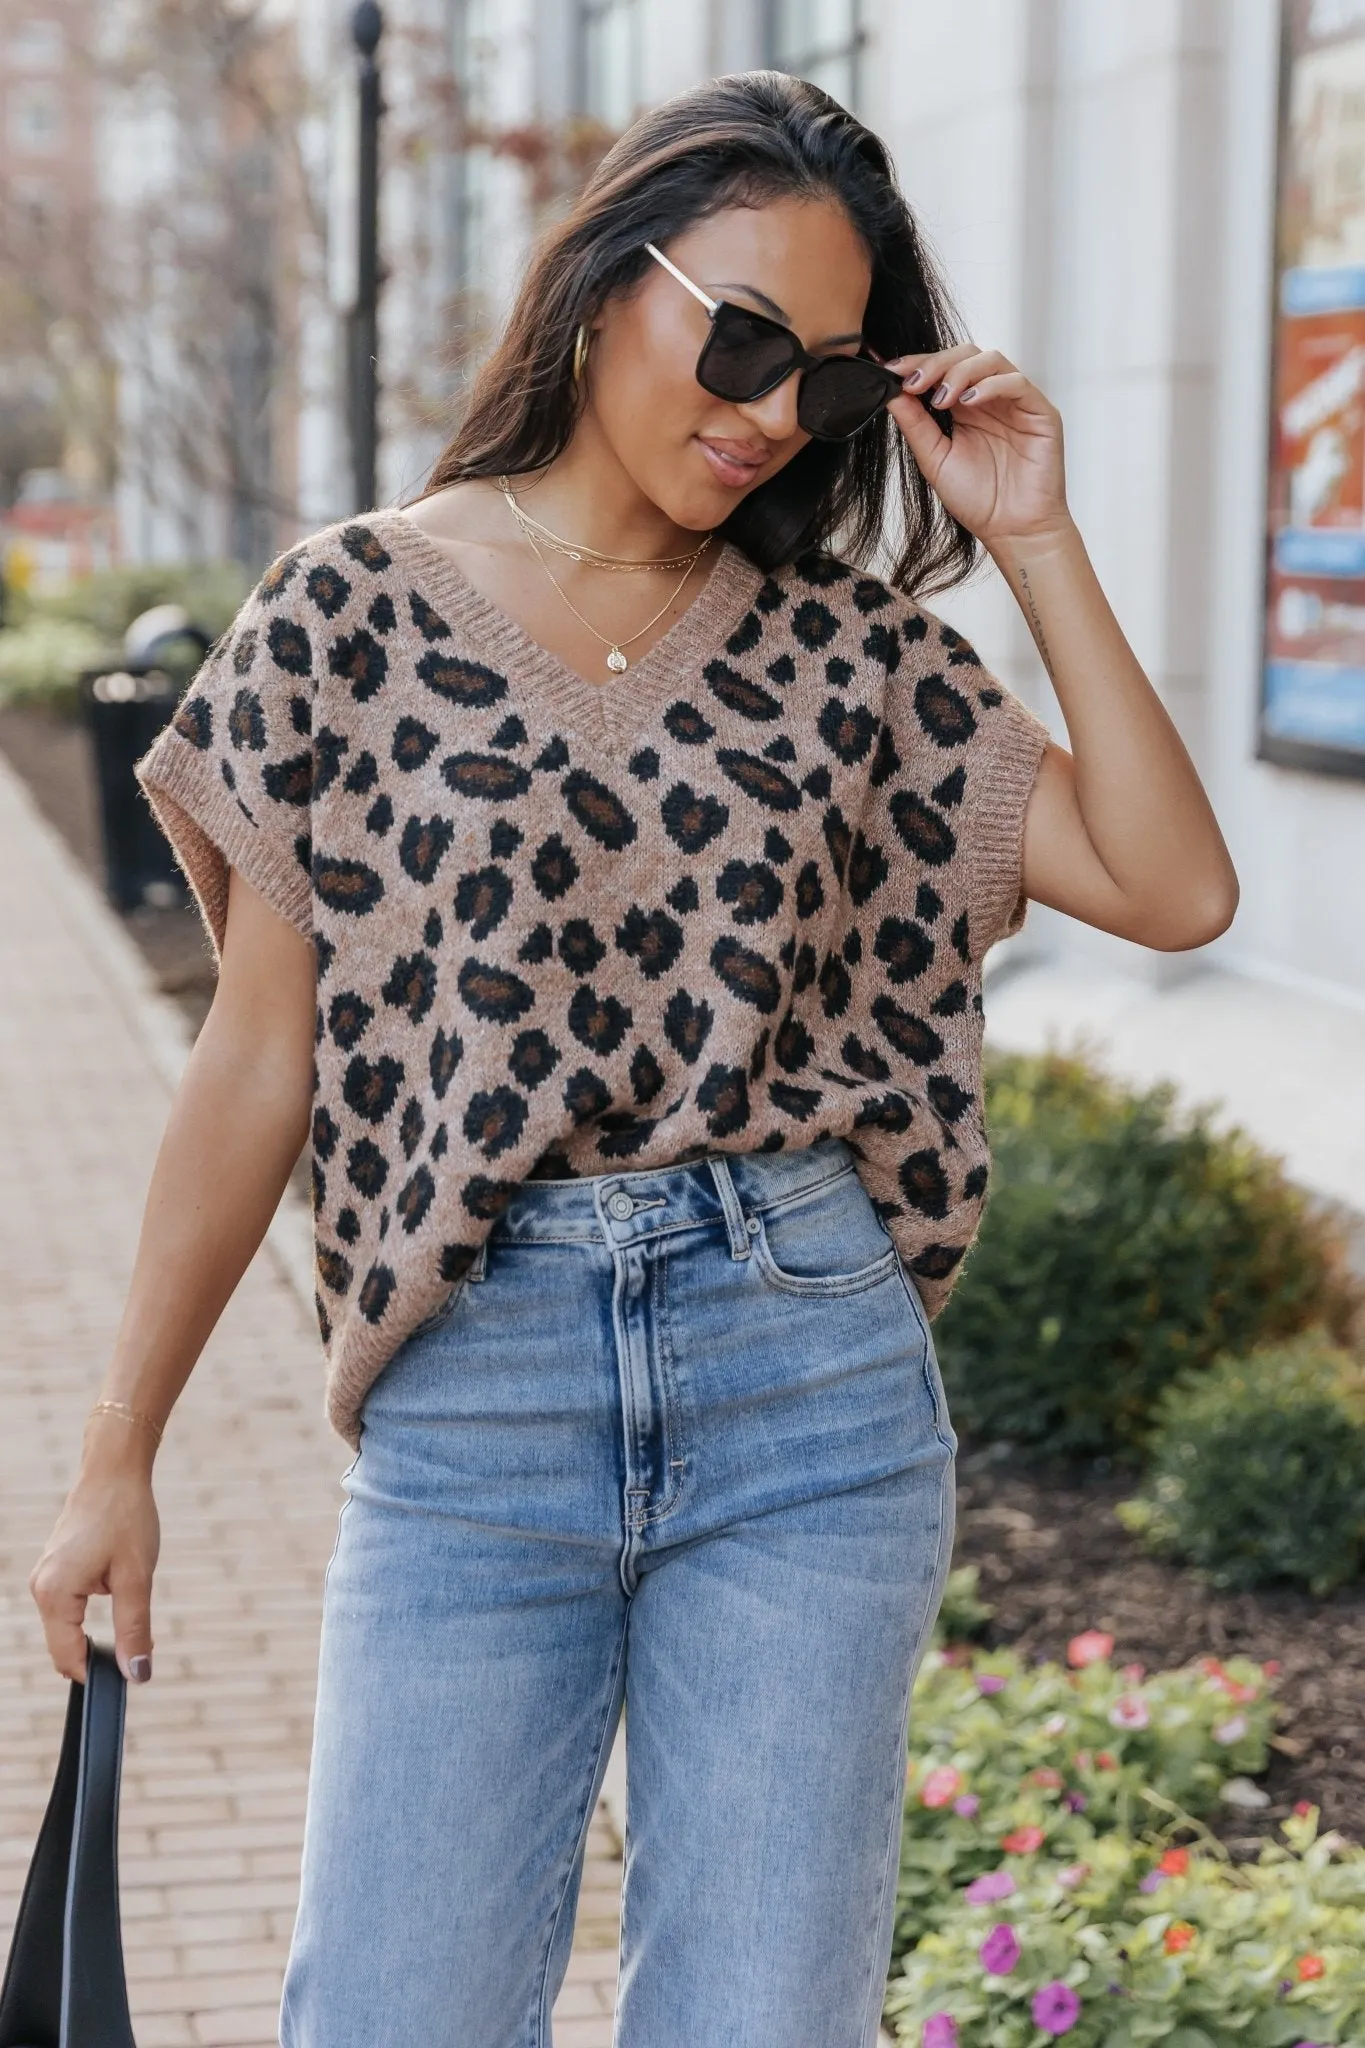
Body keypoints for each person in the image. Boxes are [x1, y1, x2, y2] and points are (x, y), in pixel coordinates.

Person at [28, 69, 1238, 2048]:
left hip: (807, 1392)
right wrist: (116, 1460)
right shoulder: (345, 610)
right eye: (743, 338)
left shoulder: (851, 658)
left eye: (829, 383)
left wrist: (1029, 532)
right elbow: (255, 1069)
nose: (771, 412)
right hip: (473, 1396)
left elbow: (1175, 889)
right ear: (605, 282)